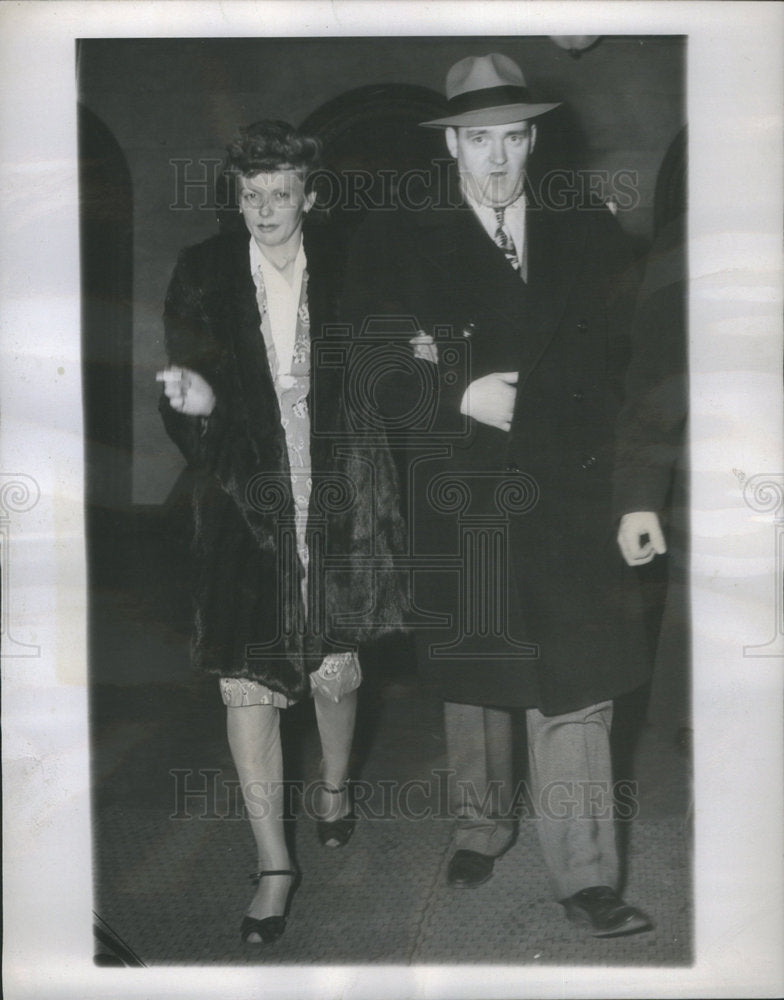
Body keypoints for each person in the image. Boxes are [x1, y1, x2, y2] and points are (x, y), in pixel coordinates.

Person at [341, 53, 653, 936]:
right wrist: (455, 395)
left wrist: (635, 491)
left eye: (512, 138)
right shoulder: (395, 238)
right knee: (476, 674)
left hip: (572, 488)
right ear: (452, 146)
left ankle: (588, 876)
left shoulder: (587, 227)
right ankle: (482, 823)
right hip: (464, 486)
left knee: (578, 680)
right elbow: (366, 366)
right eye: (478, 140)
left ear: (533, 139)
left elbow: (632, 365)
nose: (498, 159)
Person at [157, 120, 404, 944]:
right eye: (251, 193)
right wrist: (196, 406)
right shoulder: (201, 272)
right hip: (242, 504)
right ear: (237, 197)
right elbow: (186, 387)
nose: (265, 207)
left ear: (310, 195)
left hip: (338, 491)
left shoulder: (350, 267)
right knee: (247, 683)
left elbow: (387, 367)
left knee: (335, 670)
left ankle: (334, 779)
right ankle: (273, 863)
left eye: (281, 192)